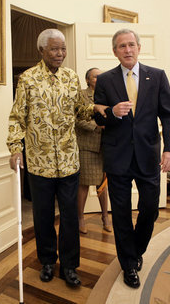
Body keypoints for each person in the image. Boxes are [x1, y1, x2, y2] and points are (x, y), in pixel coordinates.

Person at [7, 28, 107, 287]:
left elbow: (79, 112)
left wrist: (95, 109)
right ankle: (48, 261)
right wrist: (15, 148)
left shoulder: (72, 78)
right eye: (54, 49)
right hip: (39, 164)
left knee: (71, 216)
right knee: (42, 217)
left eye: (63, 48)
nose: (60, 53)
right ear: (41, 51)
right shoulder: (27, 79)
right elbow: (17, 117)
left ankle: (70, 266)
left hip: (69, 161)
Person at [93, 28, 170, 288]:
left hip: (148, 154)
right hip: (117, 155)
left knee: (150, 207)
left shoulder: (158, 76)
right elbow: (97, 115)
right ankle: (128, 264)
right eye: (122, 46)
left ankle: (136, 248)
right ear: (115, 51)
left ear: (139, 48)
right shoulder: (105, 80)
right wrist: (112, 112)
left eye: (131, 45)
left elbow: (169, 116)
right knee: (120, 213)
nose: (127, 50)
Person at [76, 67, 112, 234]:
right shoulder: (81, 95)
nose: (99, 79)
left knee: (102, 184)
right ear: (88, 80)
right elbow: (76, 120)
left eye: (100, 76)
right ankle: (80, 218)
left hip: (106, 146)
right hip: (87, 146)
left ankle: (105, 217)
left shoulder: (108, 94)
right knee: (84, 184)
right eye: (95, 77)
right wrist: (95, 126)